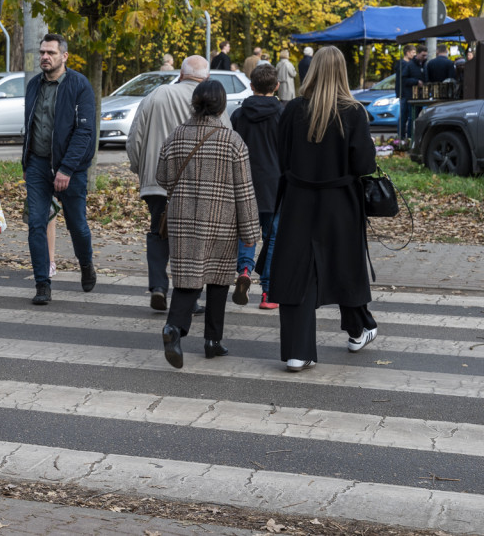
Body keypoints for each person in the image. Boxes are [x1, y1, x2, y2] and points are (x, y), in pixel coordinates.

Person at [269, 45, 379, 373]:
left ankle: (297, 351)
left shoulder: (293, 109)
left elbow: (282, 157)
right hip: (340, 201)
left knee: (297, 271)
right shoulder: (354, 112)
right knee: (345, 265)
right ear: (342, 72)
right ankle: (357, 329)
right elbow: (364, 164)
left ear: (312, 70)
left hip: (299, 199)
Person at [156, 80, 260, 369]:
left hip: (182, 219)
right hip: (221, 221)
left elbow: (162, 177)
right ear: (222, 105)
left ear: (195, 103)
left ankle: (174, 328)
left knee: (188, 277)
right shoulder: (232, 141)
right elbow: (244, 191)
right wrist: (250, 232)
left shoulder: (176, 135)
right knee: (218, 280)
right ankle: (212, 340)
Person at [127, 55, 230, 313]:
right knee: (192, 240)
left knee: (158, 231)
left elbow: (135, 138)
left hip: (156, 183)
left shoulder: (157, 94)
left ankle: (158, 286)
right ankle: (189, 299)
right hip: (198, 185)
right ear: (207, 78)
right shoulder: (213, 100)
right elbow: (226, 138)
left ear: (181, 74)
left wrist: (141, 169)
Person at [22, 33, 97, 305]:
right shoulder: (34, 85)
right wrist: (27, 163)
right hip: (38, 165)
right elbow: (30, 126)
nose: (45, 57)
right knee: (36, 223)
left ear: (64, 56)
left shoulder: (79, 85)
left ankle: (86, 264)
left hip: (70, 168)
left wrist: (66, 169)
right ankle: (42, 283)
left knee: (77, 225)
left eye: (51, 53)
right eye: (42, 52)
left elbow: (85, 132)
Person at [230, 64, 283, 310]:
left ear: (251, 86)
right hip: (275, 184)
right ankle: (268, 293)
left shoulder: (238, 115)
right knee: (272, 238)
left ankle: (244, 269)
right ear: (277, 86)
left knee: (246, 233)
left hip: (244, 183)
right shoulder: (283, 115)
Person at [397, 44, 423, 140]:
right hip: (405, 94)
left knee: (407, 117)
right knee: (405, 116)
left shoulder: (405, 64)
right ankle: (402, 138)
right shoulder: (404, 64)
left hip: (406, 94)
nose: (414, 54)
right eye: (413, 52)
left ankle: (403, 138)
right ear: (407, 53)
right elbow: (402, 80)